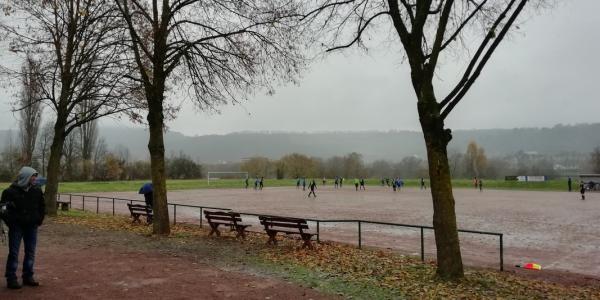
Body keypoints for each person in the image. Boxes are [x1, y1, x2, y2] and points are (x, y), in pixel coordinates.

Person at [0, 167, 45, 289]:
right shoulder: (9, 192)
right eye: (33, 176)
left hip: (32, 226)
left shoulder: (36, 190)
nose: (35, 178)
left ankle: (28, 276)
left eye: (35, 176)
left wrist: (39, 220)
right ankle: (11, 278)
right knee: (14, 253)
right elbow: (3, 210)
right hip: (17, 227)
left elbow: (42, 206)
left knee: (30, 252)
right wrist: (12, 223)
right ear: (25, 177)